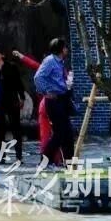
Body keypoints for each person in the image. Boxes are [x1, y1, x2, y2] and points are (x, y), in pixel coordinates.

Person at [33, 38, 74, 170]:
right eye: (65, 47)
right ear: (61, 49)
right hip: (54, 100)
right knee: (59, 133)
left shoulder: (60, 62)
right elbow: (38, 77)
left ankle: (70, 162)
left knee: (68, 132)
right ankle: (45, 160)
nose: (67, 50)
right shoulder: (50, 61)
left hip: (62, 98)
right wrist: (45, 91)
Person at [0, 46, 25, 162]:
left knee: (16, 129)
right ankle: (2, 156)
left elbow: (18, 83)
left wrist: (22, 97)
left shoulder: (11, 66)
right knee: (0, 130)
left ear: (2, 54)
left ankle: (19, 156)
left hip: (12, 100)